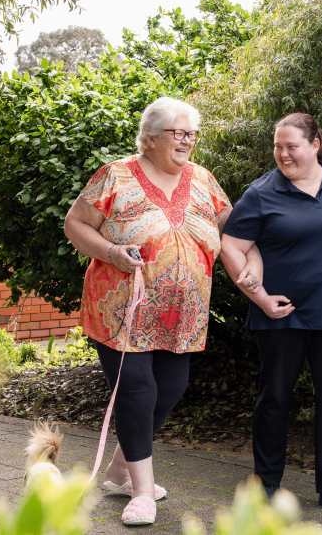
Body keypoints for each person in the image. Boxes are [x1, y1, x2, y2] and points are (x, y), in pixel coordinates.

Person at [64, 97, 261, 526]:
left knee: (170, 388)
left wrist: (258, 266)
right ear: (151, 137)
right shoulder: (114, 176)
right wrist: (112, 252)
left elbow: (236, 231)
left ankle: (120, 468)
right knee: (138, 390)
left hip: (182, 314)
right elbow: (74, 224)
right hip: (121, 311)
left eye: (193, 133)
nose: (188, 140)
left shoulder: (204, 180)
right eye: (179, 132)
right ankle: (141, 491)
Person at [220, 112, 322, 517]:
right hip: (281, 314)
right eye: (277, 146)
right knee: (274, 398)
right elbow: (230, 247)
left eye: (291, 146)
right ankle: (267, 485)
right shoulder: (261, 192)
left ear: (314, 145)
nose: (282, 154)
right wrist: (259, 298)